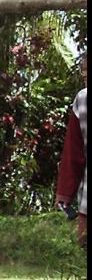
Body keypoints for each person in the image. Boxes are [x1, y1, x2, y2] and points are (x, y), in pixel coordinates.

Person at [56, 51, 87, 248]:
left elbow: (73, 153)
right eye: (83, 71)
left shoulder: (83, 100)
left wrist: (65, 193)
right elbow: (73, 153)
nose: (84, 75)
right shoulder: (83, 100)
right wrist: (65, 193)